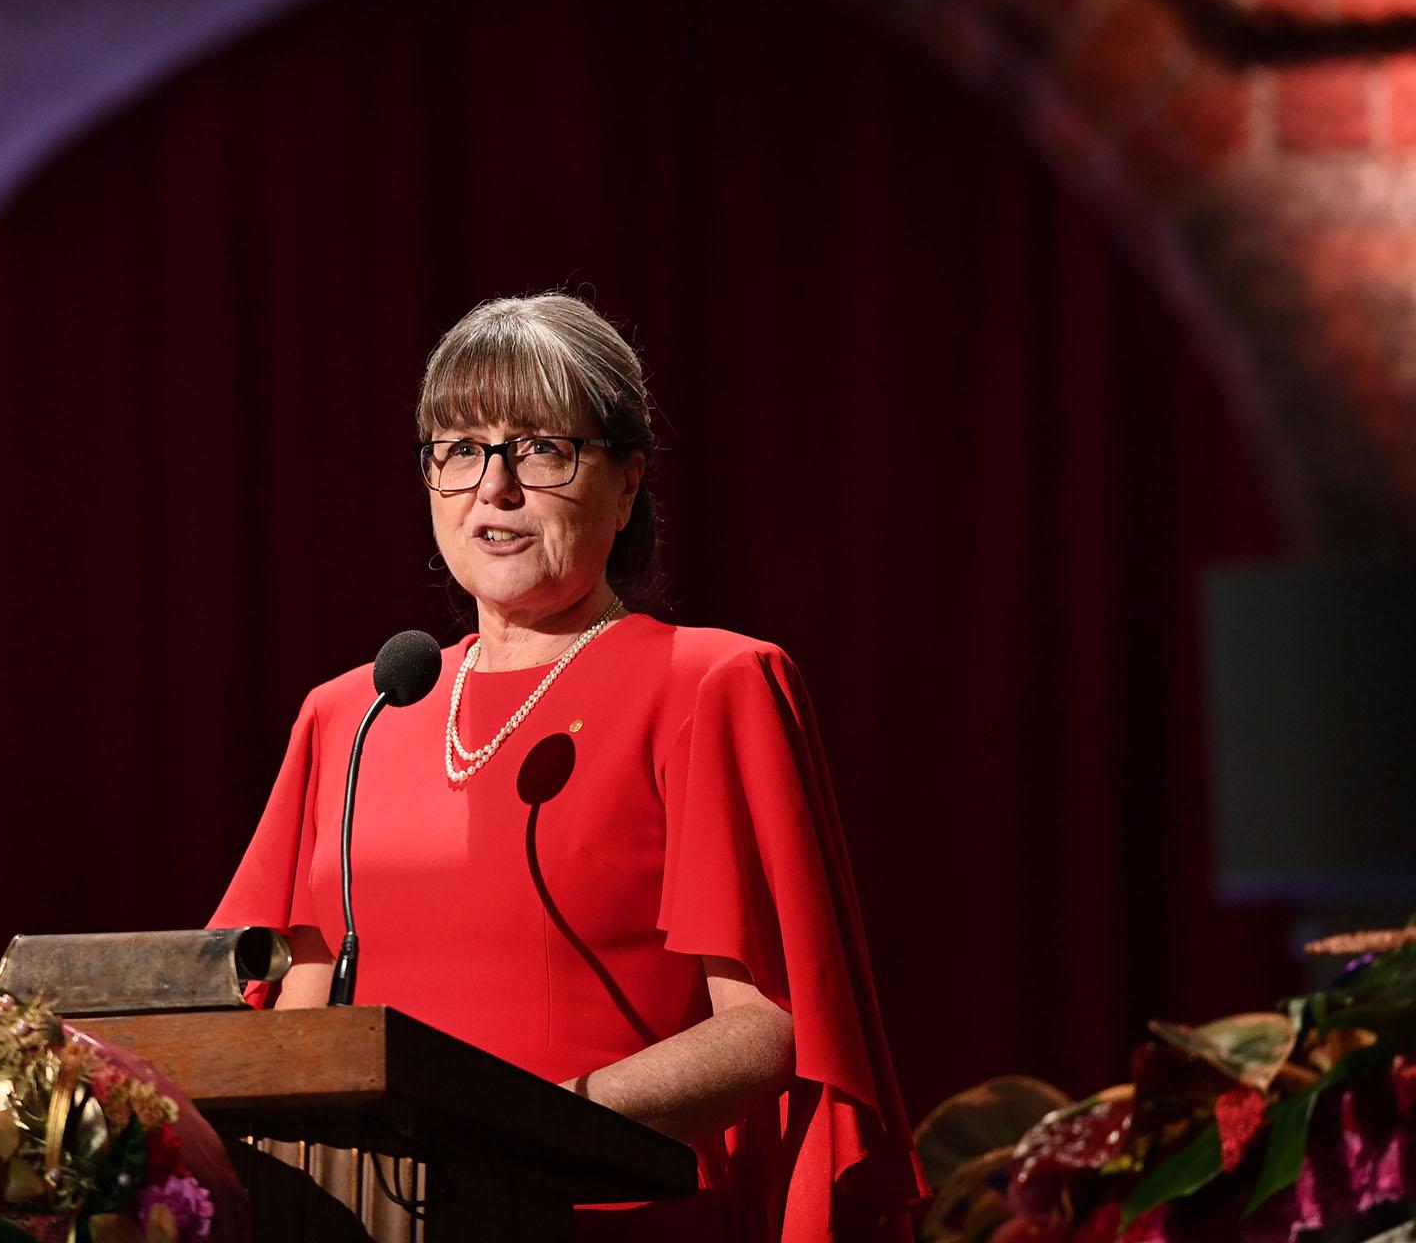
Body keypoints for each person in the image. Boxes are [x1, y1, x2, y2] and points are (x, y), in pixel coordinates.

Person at [209, 293, 926, 1240]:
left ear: (627, 485)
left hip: (593, 1213)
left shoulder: (709, 683)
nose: (492, 488)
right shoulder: (353, 713)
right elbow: (294, 1024)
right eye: (459, 449)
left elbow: (770, 1027)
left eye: (541, 449)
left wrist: (519, 1129)